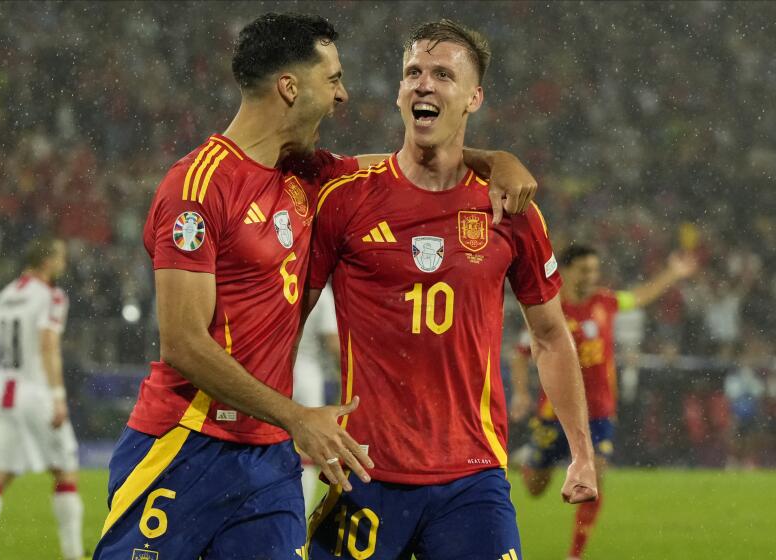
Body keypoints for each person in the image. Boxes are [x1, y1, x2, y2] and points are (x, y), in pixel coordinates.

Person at [94, 13, 540, 560]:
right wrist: (296, 416)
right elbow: (184, 343)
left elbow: (409, 166)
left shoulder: (309, 175)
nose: (343, 95)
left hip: (269, 458)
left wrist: (496, 161)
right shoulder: (197, 186)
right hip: (186, 440)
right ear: (290, 87)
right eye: (332, 80)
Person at [304, 19, 597, 560]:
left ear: (473, 97)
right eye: (413, 72)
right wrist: (288, 420)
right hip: (366, 471)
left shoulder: (510, 208)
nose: (424, 85)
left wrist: (581, 452)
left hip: (472, 480)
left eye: (443, 74)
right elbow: (288, 318)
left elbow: (552, 336)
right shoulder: (346, 198)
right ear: (397, 92)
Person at [510, 244, 697, 560]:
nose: (591, 276)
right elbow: (519, 354)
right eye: (584, 270)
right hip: (553, 414)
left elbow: (639, 296)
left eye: (594, 270)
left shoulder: (606, 302)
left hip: (598, 414)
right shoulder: (549, 308)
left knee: (594, 479)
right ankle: (530, 462)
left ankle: (575, 555)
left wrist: (672, 273)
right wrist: (522, 392)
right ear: (565, 271)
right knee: (536, 488)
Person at [0, 237, 83, 560]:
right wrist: (58, 396)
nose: (64, 263)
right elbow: (48, 344)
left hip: (3, 390)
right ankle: (74, 553)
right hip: (36, 391)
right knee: (65, 470)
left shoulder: (5, 296)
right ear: (47, 262)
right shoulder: (52, 297)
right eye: (61, 257)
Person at [294, 286, 340, 512]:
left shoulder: (286, 283)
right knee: (310, 450)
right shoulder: (324, 294)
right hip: (308, 376)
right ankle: (300, 510)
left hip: (278, 374)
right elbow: (332, 342)